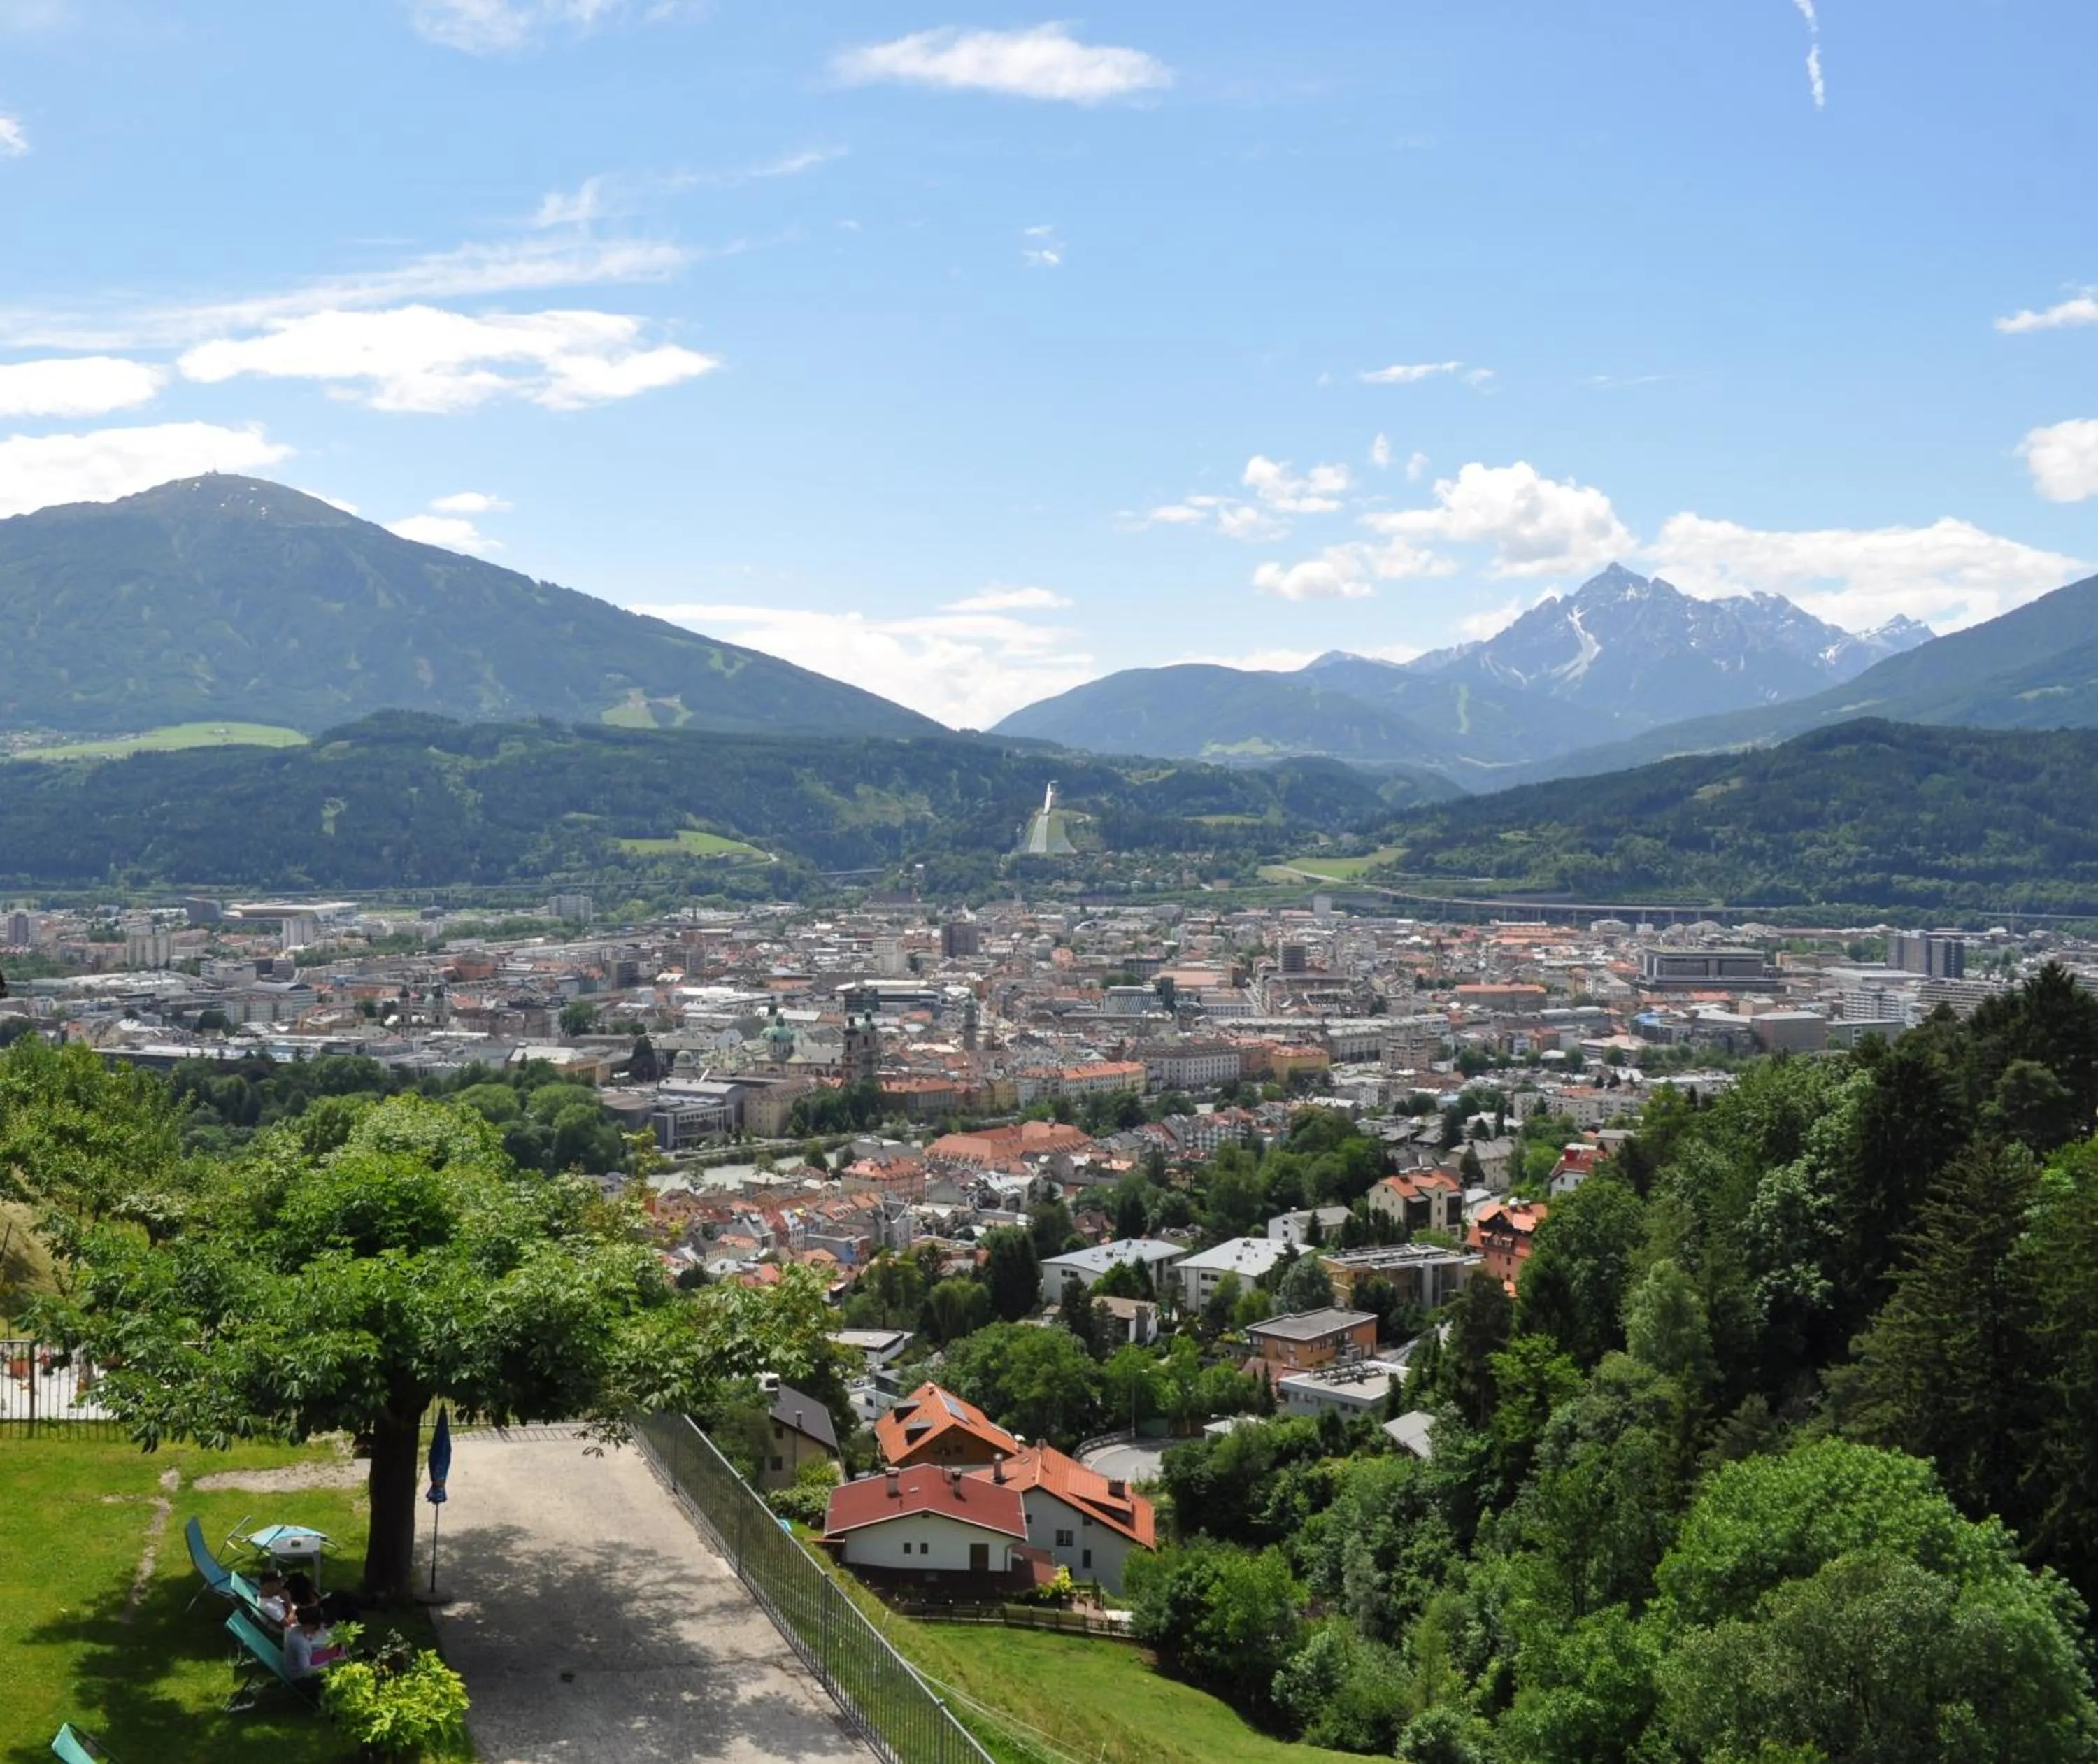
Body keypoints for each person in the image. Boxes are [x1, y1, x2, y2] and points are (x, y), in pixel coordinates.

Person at [282, 1605, 345, 1677]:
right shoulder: (301, 1643)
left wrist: (329, 1646)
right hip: (298, 1677)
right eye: (318, 1626)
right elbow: (306, 1672)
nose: (320, 1629)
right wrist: (329, 1663)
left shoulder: (297, 1630)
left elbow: (308, 1646)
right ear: (310, 1625)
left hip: (293, 1668)